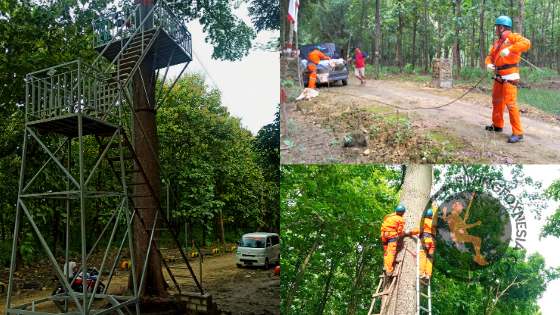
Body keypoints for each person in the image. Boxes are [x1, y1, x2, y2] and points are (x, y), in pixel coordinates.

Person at [485, 15, 531, 143]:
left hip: (510, 75)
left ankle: (518, 133)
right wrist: (488, 63)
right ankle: (497, 125)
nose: (495, 30)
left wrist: (510, 48)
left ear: (501, 27)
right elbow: (490, 56)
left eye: (496, 27)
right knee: (497, 101)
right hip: (499, 75)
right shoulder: (497, 42)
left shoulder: (512, 37)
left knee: (510, 104)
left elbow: (526, 43)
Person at [443, 200, 488, 266]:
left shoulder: (456, 216)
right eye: (460, 206)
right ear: (455, 207)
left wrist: (464, 221)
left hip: (459, 235)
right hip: (457, 236)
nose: (462, 208)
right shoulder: (454, 215)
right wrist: (475, 224)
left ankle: (477, 256)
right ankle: (477, 257)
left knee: (477, 240)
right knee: (477, 240)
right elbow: (463, 226)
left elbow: (447, 220)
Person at [380, 204, 407, 276]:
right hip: (391, 236)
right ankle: (389, 270)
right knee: (391, 252)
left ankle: (386, 266)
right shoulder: (401, 219)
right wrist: (400, 235)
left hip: (383, 235)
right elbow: (399, 231)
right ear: (403, 213)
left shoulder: (389, 216)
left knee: (386, 252)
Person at [419, 202, 437, 280]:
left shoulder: (424, 221)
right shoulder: (434, 223)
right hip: (433, 242)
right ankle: (428, 274)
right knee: (430, 258)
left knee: (422, 255)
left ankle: (421, 273)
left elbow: (419, 230)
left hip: (426, 240)